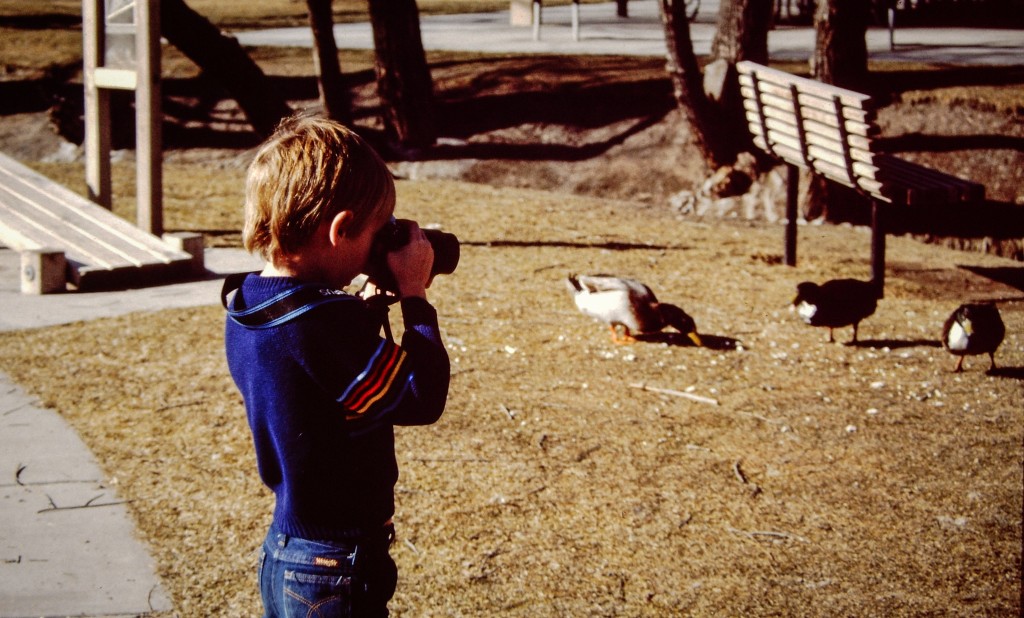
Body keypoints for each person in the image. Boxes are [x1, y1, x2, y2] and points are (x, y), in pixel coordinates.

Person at [223, 114, 450, 617]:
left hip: (291, 550)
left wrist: (364, 309)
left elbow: (320, 386)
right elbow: (421, 396)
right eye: (377, 232)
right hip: (334, 564)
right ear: (341, 229)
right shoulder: (322, 323)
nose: (382, 245)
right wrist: (415, 298)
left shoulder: (251, 305)